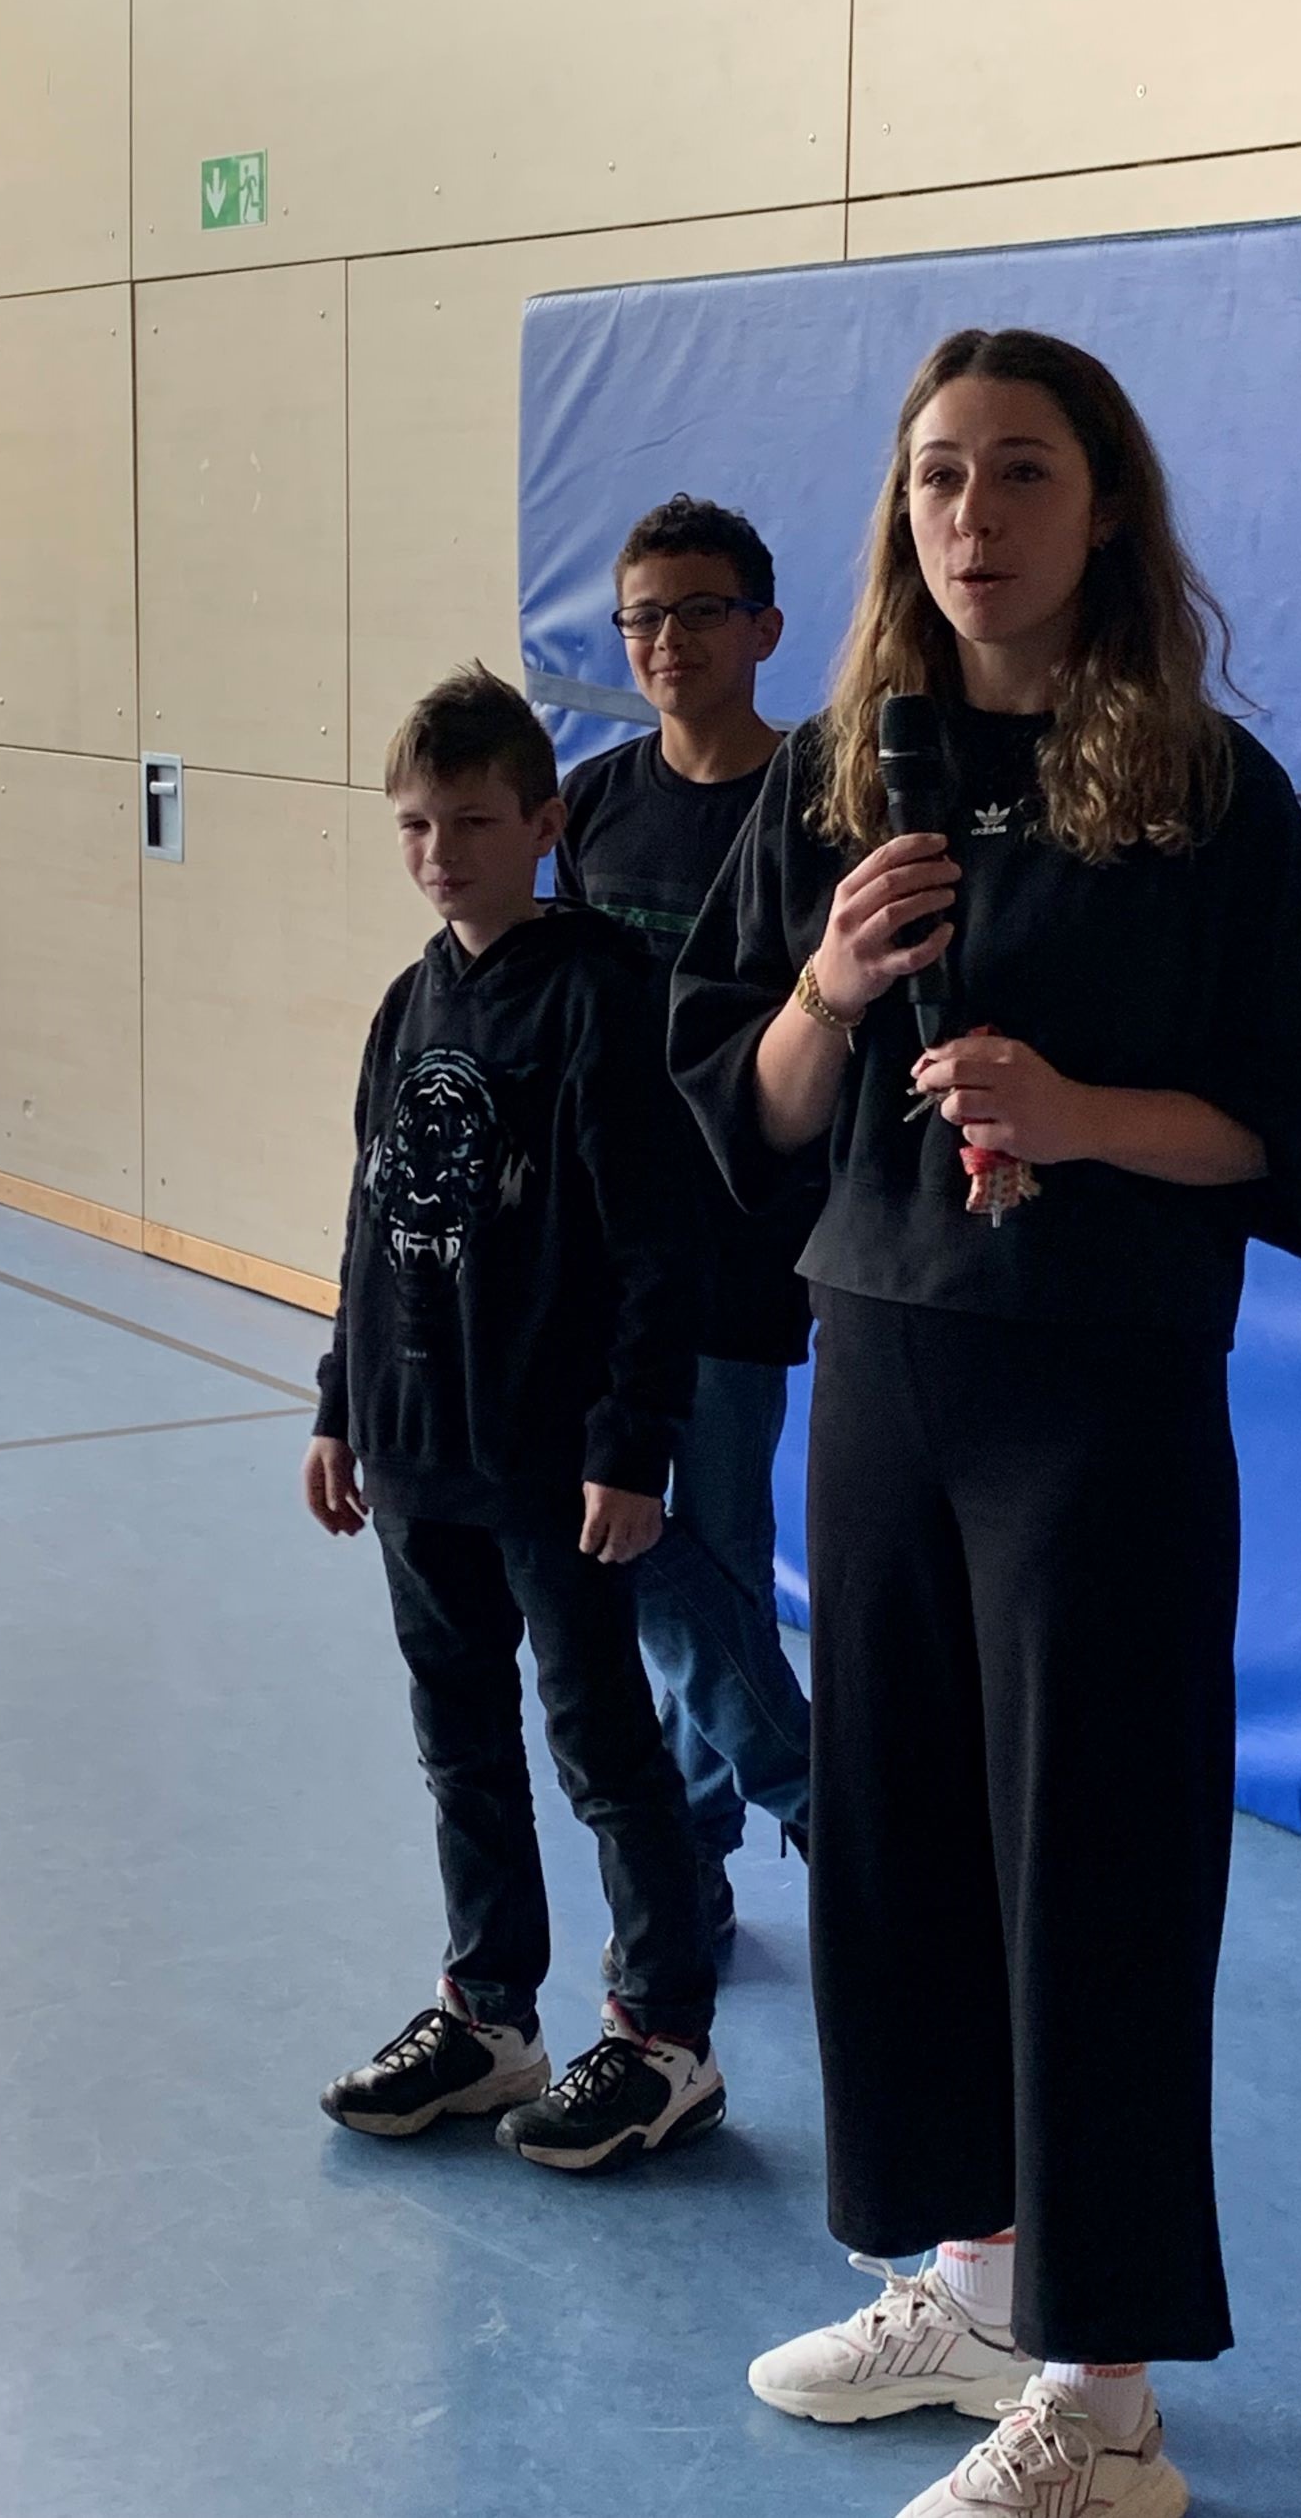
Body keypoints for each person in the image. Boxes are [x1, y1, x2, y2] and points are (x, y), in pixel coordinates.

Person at [670, 330, 1301, 2516]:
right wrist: (826, 985)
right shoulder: (835, 782)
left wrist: (1078, 1115)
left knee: (1095, 1865)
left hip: (1097, 1391)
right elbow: (740, 1103)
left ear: (1107, 507)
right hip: (883, 1363)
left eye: (1022, 473)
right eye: (938, 476)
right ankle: (972, 2283)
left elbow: (1298, 1109)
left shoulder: (1201, 793)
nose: (972, 518)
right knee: (901, 1849)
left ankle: (1107, 2397)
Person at [306, 663, 724, 2173]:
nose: (442, 853)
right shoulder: (408, 1002)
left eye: (475, 822)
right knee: (460, 1742)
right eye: (417, 825)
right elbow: (372, 1222)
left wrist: (630, 1441)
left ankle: (665, 2039)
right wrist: (341, 1403)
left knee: (604, 1745)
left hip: (552, 1460)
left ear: (545, 825)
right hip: (418, 1450)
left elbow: (654, 1249)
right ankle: (489, 2015)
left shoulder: (603, 996)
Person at [557, 495, 814, 1945]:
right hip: (604, 1250)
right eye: (643, 616)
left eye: (699, 611)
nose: (667, 641)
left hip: (738, 1246)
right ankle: (765, 1821)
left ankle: (710, 1850)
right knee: (629, 1542)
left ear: (763, 628)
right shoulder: (594, 803)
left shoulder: (816, 808)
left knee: (710, 1554)